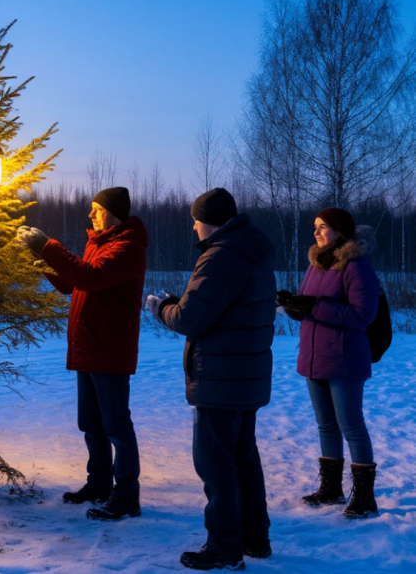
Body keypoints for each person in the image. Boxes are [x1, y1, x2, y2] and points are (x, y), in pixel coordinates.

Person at [146, 187, 275, 571]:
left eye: (196, 220)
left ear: (210, 222)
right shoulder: (251, 251)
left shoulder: (220, 258)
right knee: (242, 460)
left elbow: (191, 318)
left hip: (220, 378)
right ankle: (254, 538)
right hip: (245, 377)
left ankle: (223, 547)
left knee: (215, 464)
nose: (193, 227)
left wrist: (162, 307)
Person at [17, 186, 148, 522]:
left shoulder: (128, 247)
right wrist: (41, 263)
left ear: (114, 212)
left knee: (116, 424)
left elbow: (89, 278)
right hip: (90, 346)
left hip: (109, 350)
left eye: (96, 209)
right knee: (91, 423)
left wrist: (48, 245)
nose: (91, 215)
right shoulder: (100, 243)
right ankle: (99, 484)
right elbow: (72, 282)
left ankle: (126, 495)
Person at [277, 208, 380, 519]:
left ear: (340, 231)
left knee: (351, 425)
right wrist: (295, 307)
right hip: (314, 357)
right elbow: (313, 307)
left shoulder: (356, 265)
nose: (316, 232)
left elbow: (363, 314)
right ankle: (331, 489)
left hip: (344, 359)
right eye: (315, 227)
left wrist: (316, 307)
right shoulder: (316, 264)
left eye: (323, 227)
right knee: (326, 426)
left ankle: (364, 497)